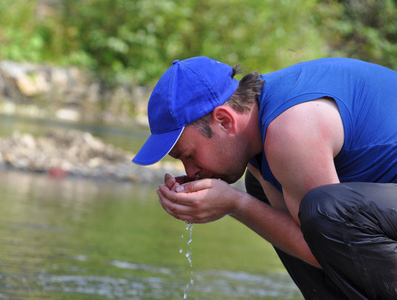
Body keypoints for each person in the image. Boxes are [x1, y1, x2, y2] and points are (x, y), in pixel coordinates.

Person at [132, 56, 397, 299]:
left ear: (224, 121)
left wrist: (236, 204)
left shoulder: (291, 129)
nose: (191, 172)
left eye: (189, 154)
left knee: (323, 210)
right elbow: (299, 234)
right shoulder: (258, 124)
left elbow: (323, 250)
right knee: (262, 192)